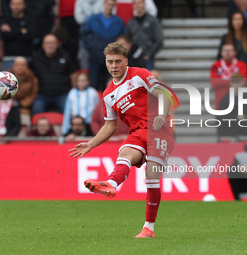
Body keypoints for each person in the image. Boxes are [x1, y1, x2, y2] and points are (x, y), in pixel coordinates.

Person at [69, 42, 175, 238]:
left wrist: (162, 114)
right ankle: (112, 184)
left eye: (118, 61)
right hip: (138, 131)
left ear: (126, 61)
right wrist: (91, 143)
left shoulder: (139, 75)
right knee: (125, 152)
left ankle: (148, 227)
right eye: (110, 62)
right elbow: (110, 125)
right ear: (106, 63)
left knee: (151, 179)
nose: (114, 66)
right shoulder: (108, 94)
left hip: (160, 129)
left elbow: (165, 94)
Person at [82, 0, 125, 91]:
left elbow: (123, 38)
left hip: (112, 60)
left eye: (112, 5)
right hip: (95, 57)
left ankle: (109, 105)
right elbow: (83, 34)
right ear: (104, 4)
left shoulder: (118, 22)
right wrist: (91, 47)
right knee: (93, 86)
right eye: (108, 4)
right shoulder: (93, 19)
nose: (110, 7)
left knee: (111, 86)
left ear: (114, 6)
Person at [31, 34, 77, 115]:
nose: (50, 46)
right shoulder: (36, 58)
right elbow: (30, 76)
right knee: (36, 108)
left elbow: (73, 75)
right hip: (42, 95)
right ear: (43, 45)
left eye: (52, 43)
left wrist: (73, 93)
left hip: (62, 95)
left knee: (69, 109)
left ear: (57, 44)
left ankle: (68, 128)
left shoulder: (65, 57)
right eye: (48, 43)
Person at [127, 0, 163, 70]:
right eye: (135, 3)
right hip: (133, 59)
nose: (137, 5)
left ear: (144, 4)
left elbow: (159, 40)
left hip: (147, 58)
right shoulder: (131, 22)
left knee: (148, 80)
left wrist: (149, 54)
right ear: (133, 6)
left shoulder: (153, 20)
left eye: (139, 3)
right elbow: (128, 41)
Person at [210, 43, 247, 109]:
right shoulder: (216, 65)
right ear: (221, 52)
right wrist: (233, 82)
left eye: (230, 50)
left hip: (237, 101)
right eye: (225, 50)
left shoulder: (241, 65)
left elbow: (243, 82)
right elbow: (214, 83)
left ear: (235, 52)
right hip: (220, 101)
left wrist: (222, 81)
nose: (227, 53)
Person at [217, 73, 247, 137]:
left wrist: (244, 119)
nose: (236, 86)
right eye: (234, 83)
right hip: (228, 134)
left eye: (238, 83)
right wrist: (236, 118)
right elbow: (221, 118)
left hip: (244, 134)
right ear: (231, 84)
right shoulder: (225, 100)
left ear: (243, 83)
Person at [0, 0, 34, 71]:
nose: (16, 7)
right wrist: (20, 31)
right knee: (6, 81)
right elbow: (4, 36)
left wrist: (12, 32)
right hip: (8, 58)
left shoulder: (29, 20)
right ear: (10, 6)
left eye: (19, 4)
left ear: (24, 5)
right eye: (14, 4)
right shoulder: (5, 20)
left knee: (26, 82)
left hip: (26, 58)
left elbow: (29, 36)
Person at [62, 72, 98, 137]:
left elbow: (97, 108)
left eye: (84, 81)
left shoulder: (93, 92)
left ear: (88, 81)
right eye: (80, 81)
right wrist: (65, 129)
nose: (82, 83)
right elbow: (67, 111)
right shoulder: (72, 93)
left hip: (89, 122)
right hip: (75, 122)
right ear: (76, 82)